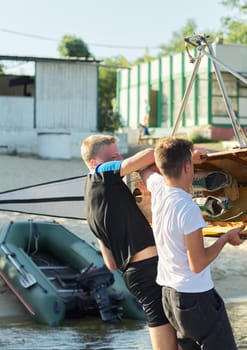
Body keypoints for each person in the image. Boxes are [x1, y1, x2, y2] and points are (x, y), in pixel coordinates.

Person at [141, 137, 244, 350]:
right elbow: (198, 263)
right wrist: (225, 238)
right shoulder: (189, 210)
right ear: (189, 167)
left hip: (169, 297)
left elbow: (145, 170)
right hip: (195, 297)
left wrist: (178, 156)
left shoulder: (159, 189)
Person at [81, 135, 181, 350]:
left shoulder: (91, 204)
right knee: (173, 330)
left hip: (134, 274)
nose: (121, 159)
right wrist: (174, 149)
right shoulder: (101, 174)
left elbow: (111, 263)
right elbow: (146, 155)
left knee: (163, 324)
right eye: (114, 157)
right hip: (149, 268)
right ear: (93, 163)